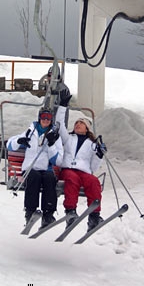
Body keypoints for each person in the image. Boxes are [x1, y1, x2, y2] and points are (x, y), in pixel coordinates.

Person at [7, 107, 63, 229]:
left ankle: (48, 214)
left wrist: (52, 145)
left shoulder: (54, 136)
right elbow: (10, 145)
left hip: (46, 169)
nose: (46, 120)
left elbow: (58, 161)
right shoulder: (30, 132)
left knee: (49, 178)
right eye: (43, 117)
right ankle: (30, 211)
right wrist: (19, 141)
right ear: (39, 118)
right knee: (34, 177)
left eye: (48, 118)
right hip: (30, 168)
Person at [56, 99, 107, 231]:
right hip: (68, 169)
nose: (78, 125)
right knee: (72, 179)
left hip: (84, 172)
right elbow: (60, 125)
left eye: (81, 123)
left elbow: (93, 168)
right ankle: (70, 212)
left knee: (94, 181)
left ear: (87, 128)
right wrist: (62, 107)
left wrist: (99, 155)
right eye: (76, 123)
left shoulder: (92, 144)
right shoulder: (68, 138)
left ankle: (94, 216)